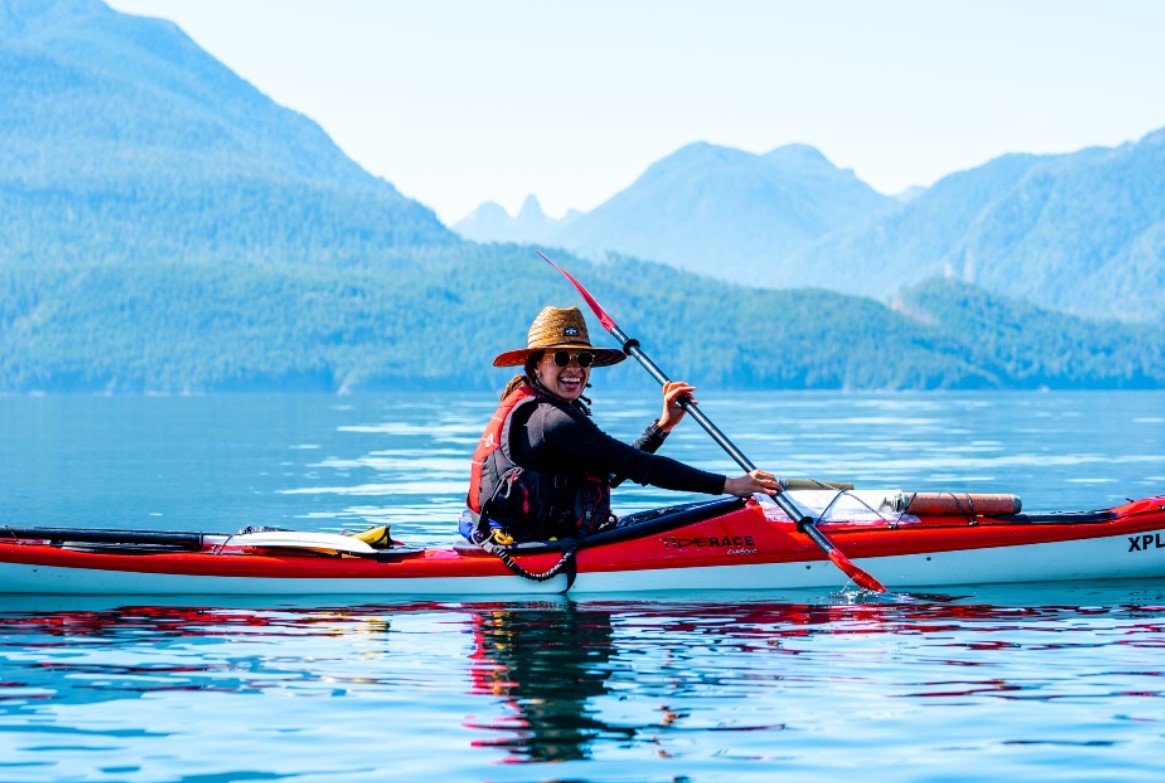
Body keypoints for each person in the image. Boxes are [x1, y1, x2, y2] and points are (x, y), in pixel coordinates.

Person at [464, 305, 778, 545]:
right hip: (527, 550)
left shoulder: (542, 410)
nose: (574, 369)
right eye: (561, 357)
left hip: (522, 540)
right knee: (717, 511)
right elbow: (639, 467)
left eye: (582, 360)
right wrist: (732, 485)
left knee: (694, 515)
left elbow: (610, 473)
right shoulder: (553, 419)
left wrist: (663, 425)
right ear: (537, 365)